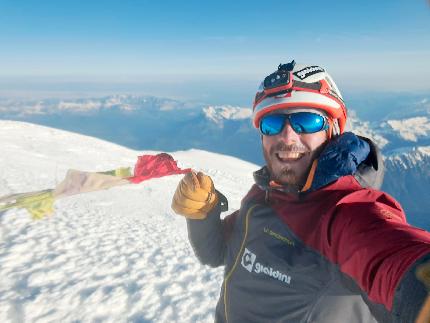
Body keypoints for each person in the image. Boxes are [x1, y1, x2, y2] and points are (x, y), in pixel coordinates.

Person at [171, 60, 430, 322]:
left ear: (333, 131)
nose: (287, 136)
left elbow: (389, 255)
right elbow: (216, 252)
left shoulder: (343, 214)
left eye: (307, 121)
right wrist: (203, 214)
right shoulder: (264, 195)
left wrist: (418, 289)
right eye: (272, 124)